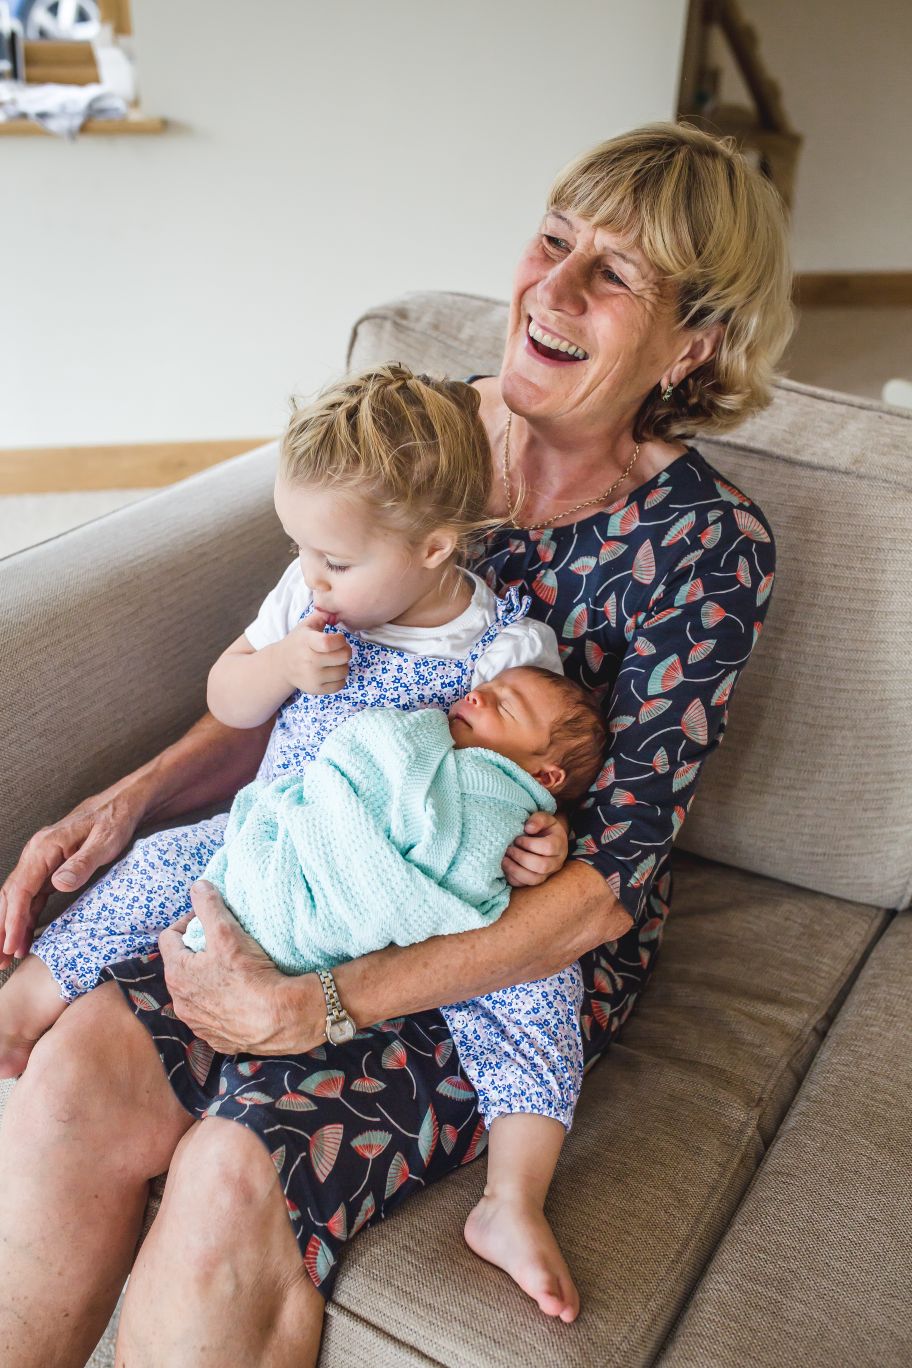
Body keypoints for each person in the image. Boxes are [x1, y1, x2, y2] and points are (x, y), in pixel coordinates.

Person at [0, 122, 792, 1367]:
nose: (554, 289)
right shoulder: (419, 437)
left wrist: (318, 1007)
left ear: (694, 342)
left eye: (615, 274)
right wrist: (130, 798)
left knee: (225, 1181)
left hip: (488, 920)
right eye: (554, 240)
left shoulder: (706, 549)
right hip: (309, 853)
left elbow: (607, 885)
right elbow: (304, 670)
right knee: (69, 1080)